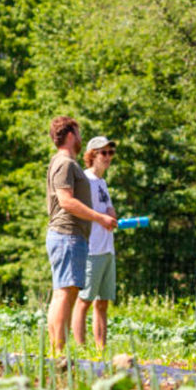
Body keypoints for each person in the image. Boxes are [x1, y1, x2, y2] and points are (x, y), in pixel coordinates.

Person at [45, 117, 117, 354]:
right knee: (66, 294)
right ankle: (58, 351)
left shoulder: (65, 163)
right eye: (78, 133)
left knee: (64, 292)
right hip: (67, 234)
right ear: (69, 136)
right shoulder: (65, 164)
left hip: (70, 236)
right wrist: (99, 218)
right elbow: (66, 201)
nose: (80, 137)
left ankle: (57, 349)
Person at [71, 136, 118, 349]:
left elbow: (106, 208)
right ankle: (81, 349)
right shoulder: (85, 180)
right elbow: (80, 210)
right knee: (84, 301)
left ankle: (101, 350)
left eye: (110, 153)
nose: (108, 157)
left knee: (103, 302)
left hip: (107, 248)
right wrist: (102, 218)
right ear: (91, 155)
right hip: (91, 248)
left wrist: (110, 212)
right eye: (103, 153)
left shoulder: (102, 182)